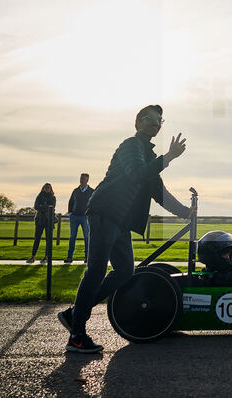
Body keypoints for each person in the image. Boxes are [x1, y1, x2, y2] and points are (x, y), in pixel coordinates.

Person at [59, 105, 193, 353]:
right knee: (96, 270)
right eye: (152, 120)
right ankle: (76, 336)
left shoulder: (149, 156)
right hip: (104, 212)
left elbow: (158, 192)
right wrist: (169, 157)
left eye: (160, 121)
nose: (157, 124)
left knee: (125, 272)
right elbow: (136, 175)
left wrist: (185, 212)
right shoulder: (130, 146)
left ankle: (74, 315)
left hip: (119, 221)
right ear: (139, 123)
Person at [64, 173, 93, 264]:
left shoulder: (92, 191)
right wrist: (70, 213)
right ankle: (69, 257)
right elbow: (71, 202)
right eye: (81, 178)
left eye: (83, 178)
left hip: (85, 217)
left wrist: (90, 214)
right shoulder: (75, 191)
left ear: (87, 180)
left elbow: (94, 203)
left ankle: (87, 257)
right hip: (75, 217)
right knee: (72, 237)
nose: (81, 180)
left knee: (87, 237)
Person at [27, 183, 56, 264]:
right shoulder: (39, 196)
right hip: (39, 220)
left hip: (48, 220)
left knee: (48, 240)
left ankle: (46, 257)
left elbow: (52, 207)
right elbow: (36, 206)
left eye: (48, 188)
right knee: (37, 238)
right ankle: (33, 256)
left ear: (51, 189)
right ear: (43, 188)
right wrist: (45, 207)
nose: (47, 189)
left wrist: (42, 206)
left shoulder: (53, 198)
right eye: (45, 187)